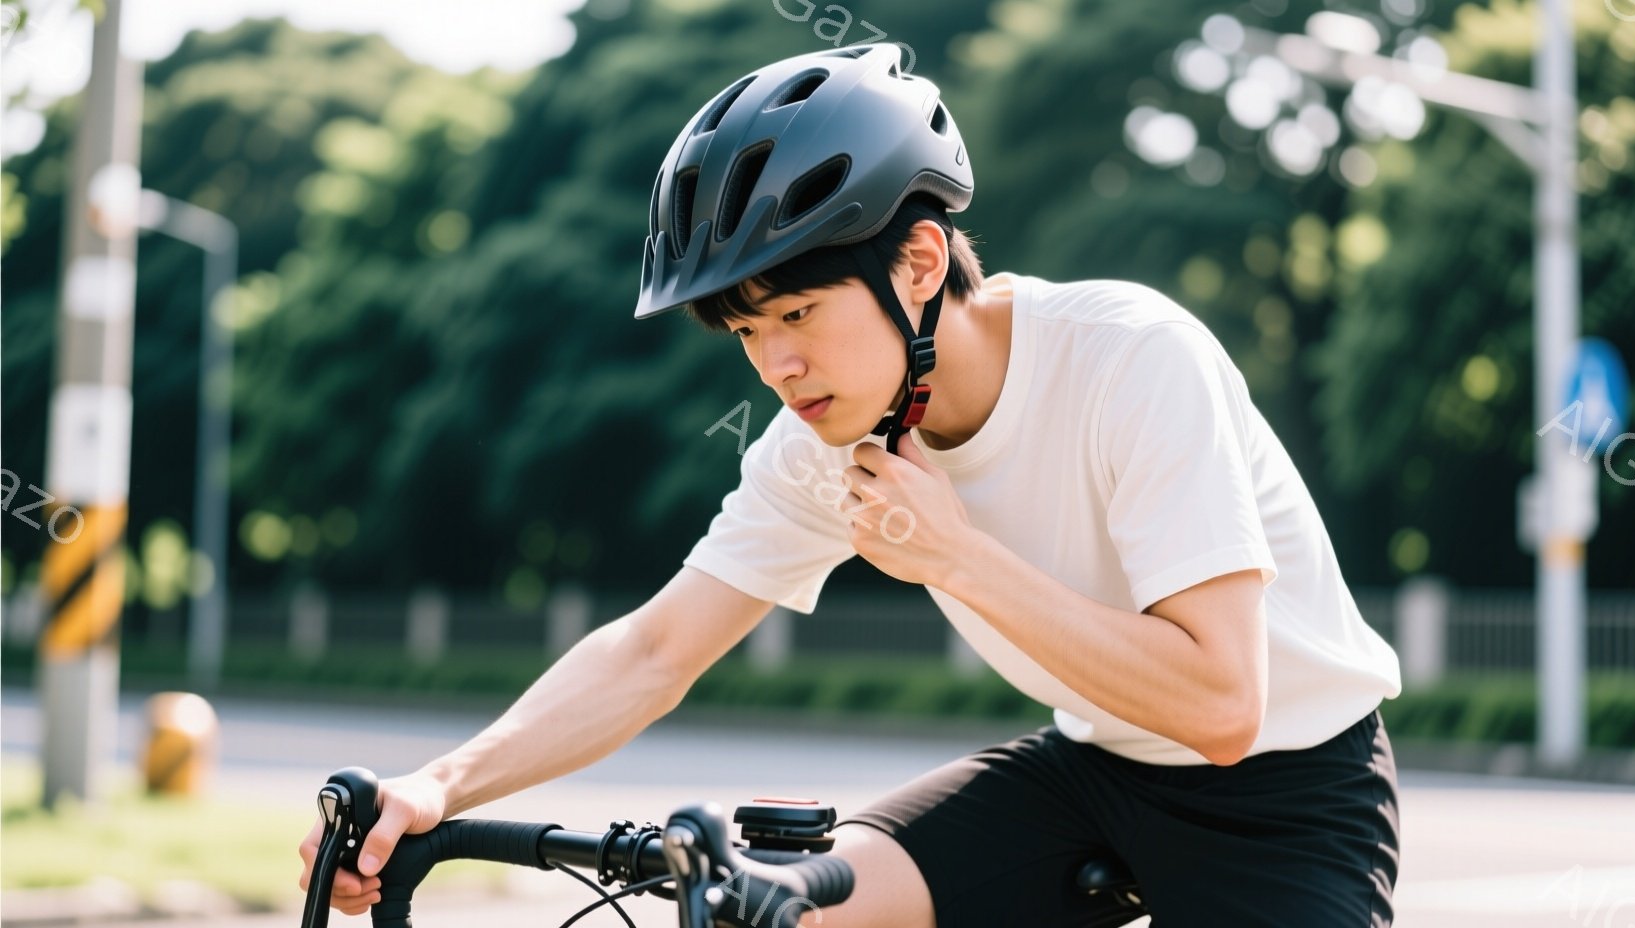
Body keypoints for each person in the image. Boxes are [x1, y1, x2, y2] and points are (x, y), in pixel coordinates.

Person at [298, 43, 1403, 927]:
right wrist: (438, 786)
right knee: (777, 908)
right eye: (744, 330)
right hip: (1093, 768)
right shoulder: (817, 443)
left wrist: (955, 553)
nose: (776, 364)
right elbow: (652, 652)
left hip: (1291, 795)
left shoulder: (1129, 356)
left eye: (796, 313)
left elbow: (1219, 706)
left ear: (918, 263)